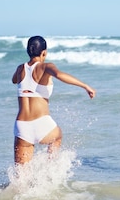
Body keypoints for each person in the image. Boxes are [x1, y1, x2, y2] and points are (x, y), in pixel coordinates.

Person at [12, 35, 95, 164]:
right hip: (41, 122)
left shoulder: (20, 68)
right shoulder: (45, 67)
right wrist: (85, 86)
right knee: (57, 137)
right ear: (44, 52)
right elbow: (59, 74)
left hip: (21, 126)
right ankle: (50, 171)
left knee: (21, 176)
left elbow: (14, 80)